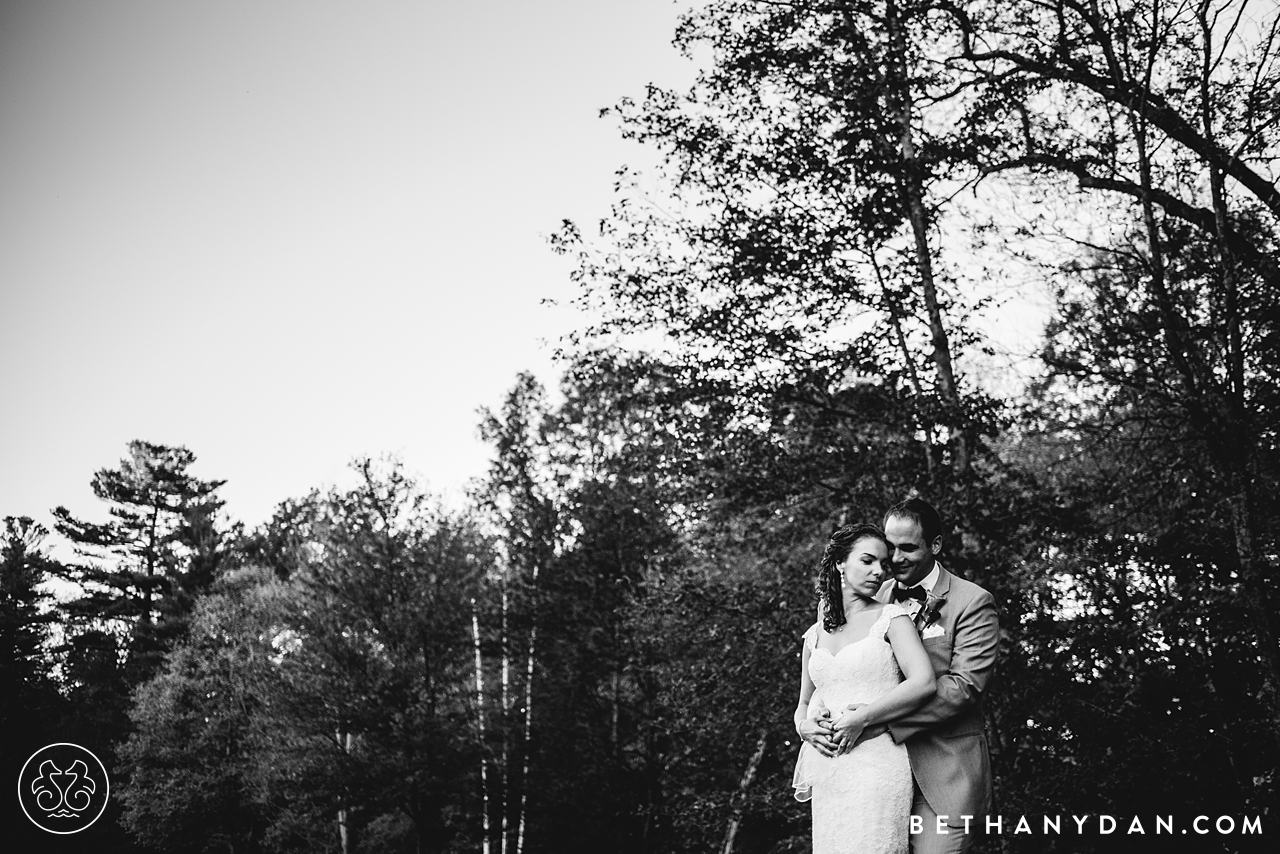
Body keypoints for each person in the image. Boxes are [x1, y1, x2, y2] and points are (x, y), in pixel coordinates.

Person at [831, 497, 999, 854]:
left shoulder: (972, 602)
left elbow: (963, 687)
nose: (895, 558)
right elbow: (839, 663)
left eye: (908, 548)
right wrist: (814, 718)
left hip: (943, 778)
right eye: (889, 547)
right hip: (873, 772)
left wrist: (878, 722)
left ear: (935, 545)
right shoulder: (871, 597)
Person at [793, 523, 936, 854]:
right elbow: (802, 702)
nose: (878, 572)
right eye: (868, 561)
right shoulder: (815, 633)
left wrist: (865, 717)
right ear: (841, 562)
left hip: (877, 764)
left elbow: (924, 682)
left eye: (883, 564)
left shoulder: (892, 618)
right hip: (830, 769)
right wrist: (804, 727)